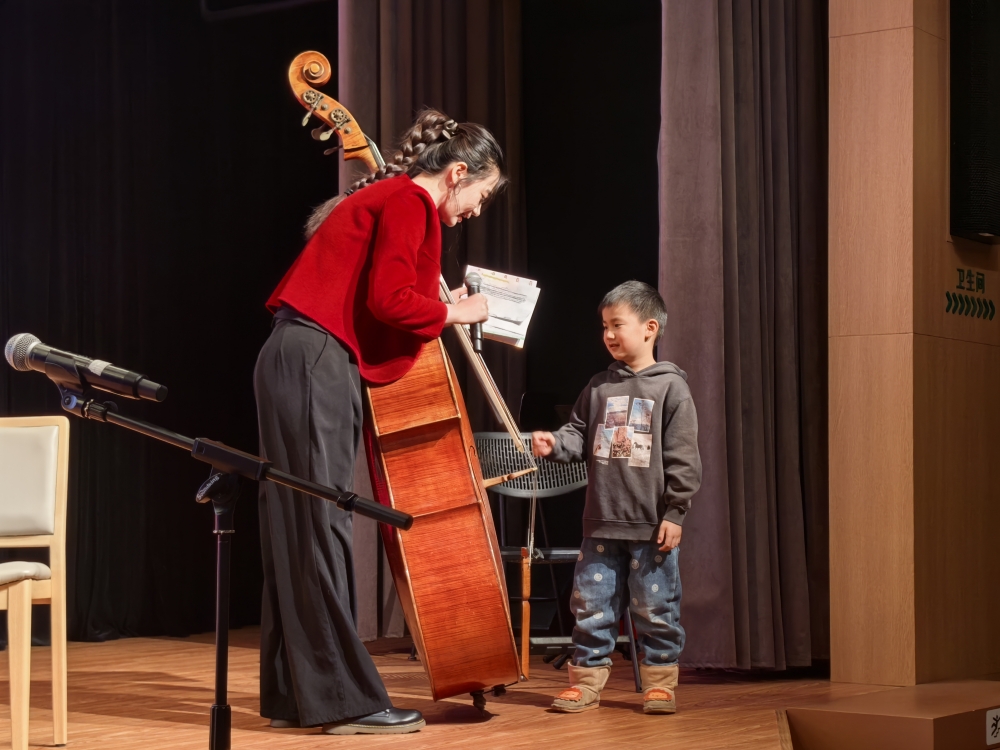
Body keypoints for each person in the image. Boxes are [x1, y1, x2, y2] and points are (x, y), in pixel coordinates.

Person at [254, 109, 504, 735]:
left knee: (302, 525)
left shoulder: (386, 197)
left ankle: (299, 695)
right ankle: (347, 702)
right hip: (314, 359)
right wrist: (459, 311)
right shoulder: (411, 202)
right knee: (322, 522)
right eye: (482, 193)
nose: (478, 208)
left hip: (295, 357)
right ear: (455, 174)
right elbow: (389, 300)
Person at [531, 280, 702, 715]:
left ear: (649, 328)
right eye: (604, 326)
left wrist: (675, 511)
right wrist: (555, 443)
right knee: (591, 605)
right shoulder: (598, 387)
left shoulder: (671, 388)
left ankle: (660, 682)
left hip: (650, 526)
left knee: (656, 607)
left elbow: (683, 457)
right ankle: (586, 681)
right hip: (601, 523)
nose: (608, 334)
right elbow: (577, 434)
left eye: (617, 325)